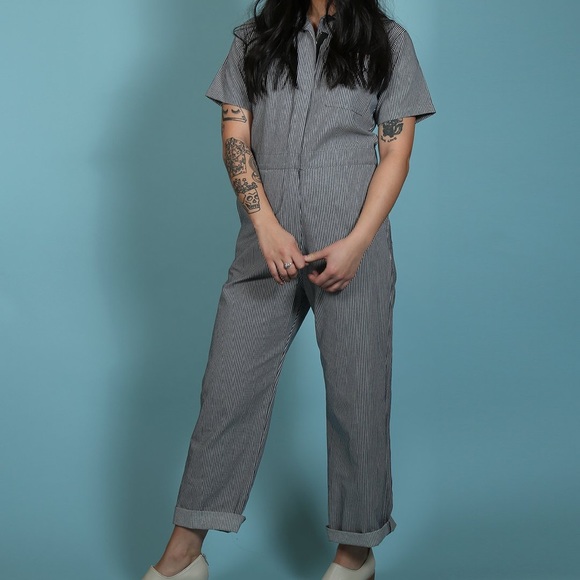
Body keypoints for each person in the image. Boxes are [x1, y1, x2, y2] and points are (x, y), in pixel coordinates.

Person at [142, 0, 435, 578]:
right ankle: (184, 554)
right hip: (266, 245)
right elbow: (235, 138)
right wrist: (266, 228)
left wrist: (357, 243)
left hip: (351, 244)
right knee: (227, 394)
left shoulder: (388, 42)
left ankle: (355, 554)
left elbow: (395, 152)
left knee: (358, 398)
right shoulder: (253, 39)